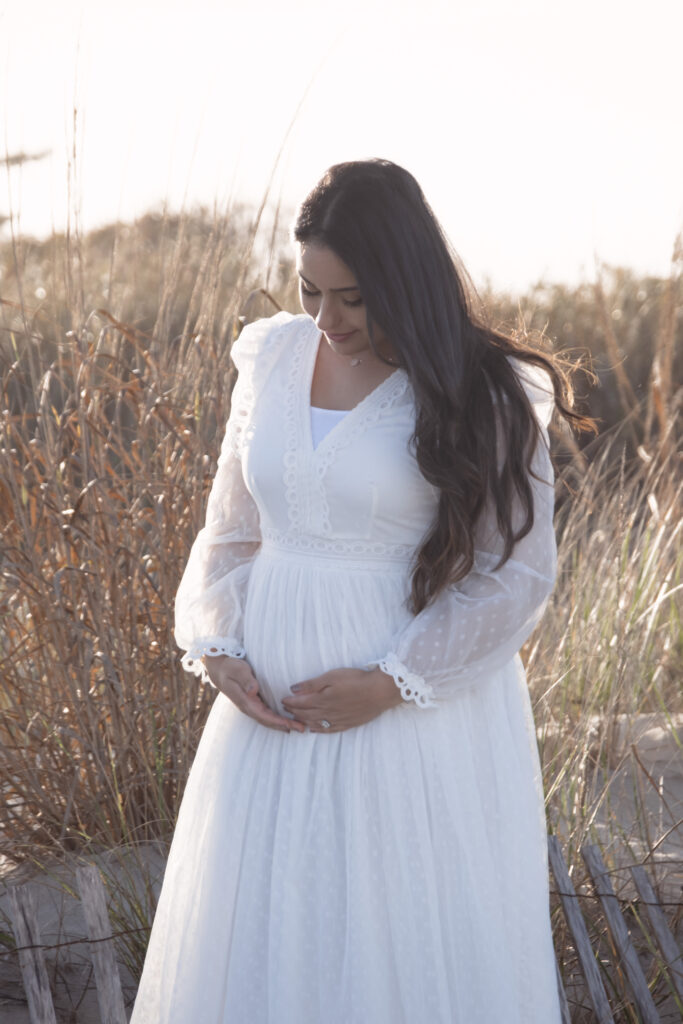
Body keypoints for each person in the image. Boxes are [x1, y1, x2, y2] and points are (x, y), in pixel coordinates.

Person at [130, 159, 589, 1024]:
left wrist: (388, 684)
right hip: (268, 712)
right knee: (268, 931)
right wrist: (217, 647)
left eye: (352, 297)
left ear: (403, 282)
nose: (326, 318)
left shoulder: (482, 388)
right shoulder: (270, 355)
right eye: (310, 291)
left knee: (393, 941)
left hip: (411, 715)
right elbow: (231, 529)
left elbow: (516, 575)